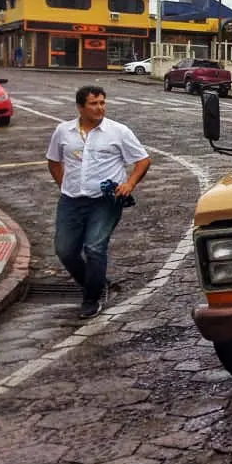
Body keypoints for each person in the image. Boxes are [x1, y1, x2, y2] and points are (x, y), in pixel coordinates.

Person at [46, 86, 151, 318]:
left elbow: (143, 160)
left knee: (94, 247)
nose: (100, 108)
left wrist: (129, 184)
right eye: (94, 104)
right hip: (71, 200)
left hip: (106, 201)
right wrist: (65, 184)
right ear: (80, 107)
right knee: (65, 250)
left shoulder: (118, 131)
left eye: (102, 102)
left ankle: (91, 299)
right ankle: (96, 282)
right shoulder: (63, 131)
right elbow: (53, 161)